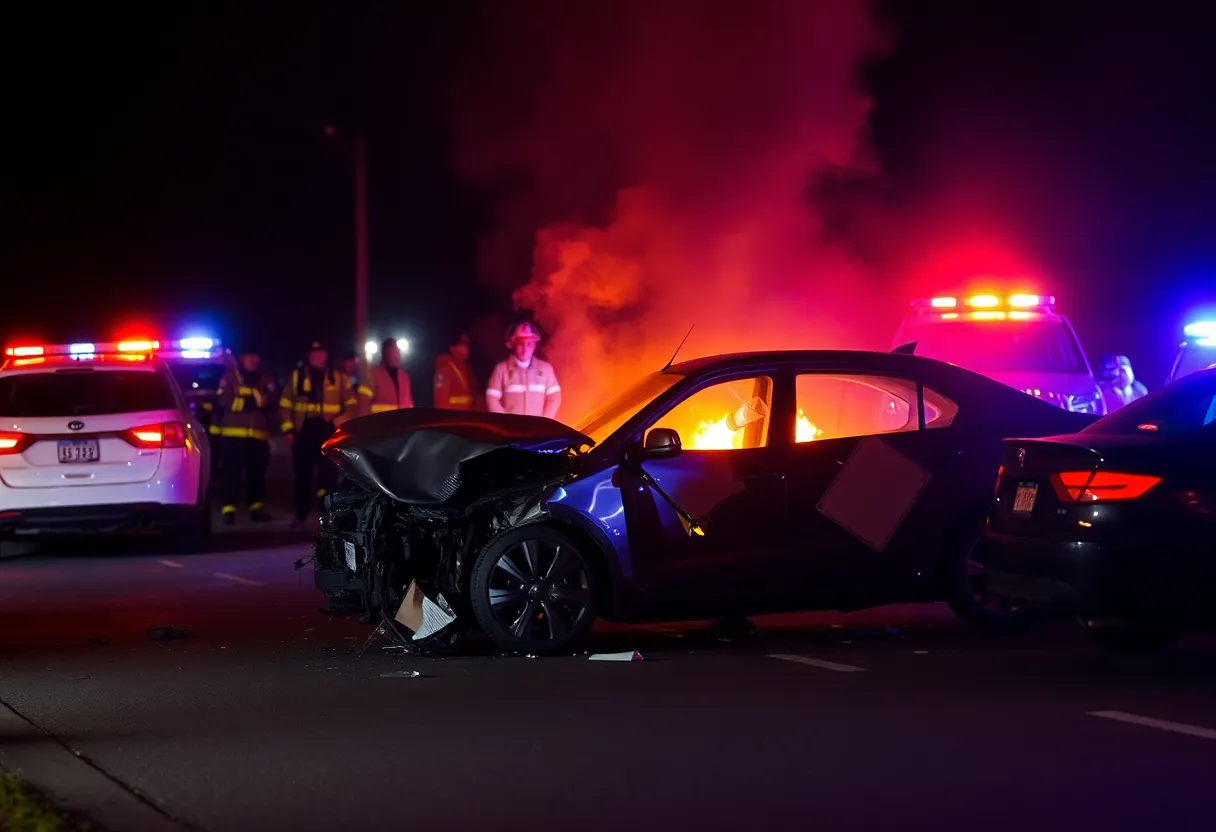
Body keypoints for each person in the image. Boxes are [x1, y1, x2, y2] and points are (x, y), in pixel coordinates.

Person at [278, 341, 358, 527]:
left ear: (326, 355)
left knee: (329, 476)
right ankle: (301, 514)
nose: (318, 356)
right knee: (302, 476)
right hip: (303, 431)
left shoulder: (338, 378)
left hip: (327, 431)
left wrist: (336, 423)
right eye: (314, 353)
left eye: (321, 353)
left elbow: (352, 405)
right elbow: (285, 405)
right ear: (309, 356)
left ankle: (328, 516)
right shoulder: (297, 377)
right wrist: (289, 430)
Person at [213, 347, 277, 524]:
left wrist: (258, 401)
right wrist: (251, 401)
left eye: (255, 356)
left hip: (258, 435)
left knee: (257, 474)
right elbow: (224, 401)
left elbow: (273, 400)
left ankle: (256, 508)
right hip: (233, 435)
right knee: (231, 473)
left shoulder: (265, 378)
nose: (253, 360)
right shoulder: (229, 378)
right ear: (241, 359)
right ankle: (228, 509)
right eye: (249, 356)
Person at [486, 322, 561, 418]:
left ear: (534, 346)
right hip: (511, 430)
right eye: (520, 344)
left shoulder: (546, 370)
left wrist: (544, 422)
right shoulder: (501, 370)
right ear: (513, 345)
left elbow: (554, 398)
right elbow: (492, 399)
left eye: (529, 344)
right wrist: (505, 424)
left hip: (538, 430)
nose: (525, 348)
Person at [358, 337, 414, 415]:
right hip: (379, 425)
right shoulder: (373, 374)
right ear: (385, 353)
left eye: (398, 352)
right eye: (393, 352)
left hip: (402, 425)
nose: (397, 356)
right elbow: (363, 406)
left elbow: (409, 405)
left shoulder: (404, 377)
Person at [434, 332, 476, 410]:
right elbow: (441, 400)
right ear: (453, 347)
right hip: (453, 418)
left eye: (468, 344)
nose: (466, 347)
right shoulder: (444, 369)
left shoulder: (465, 369)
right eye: (462, 343)